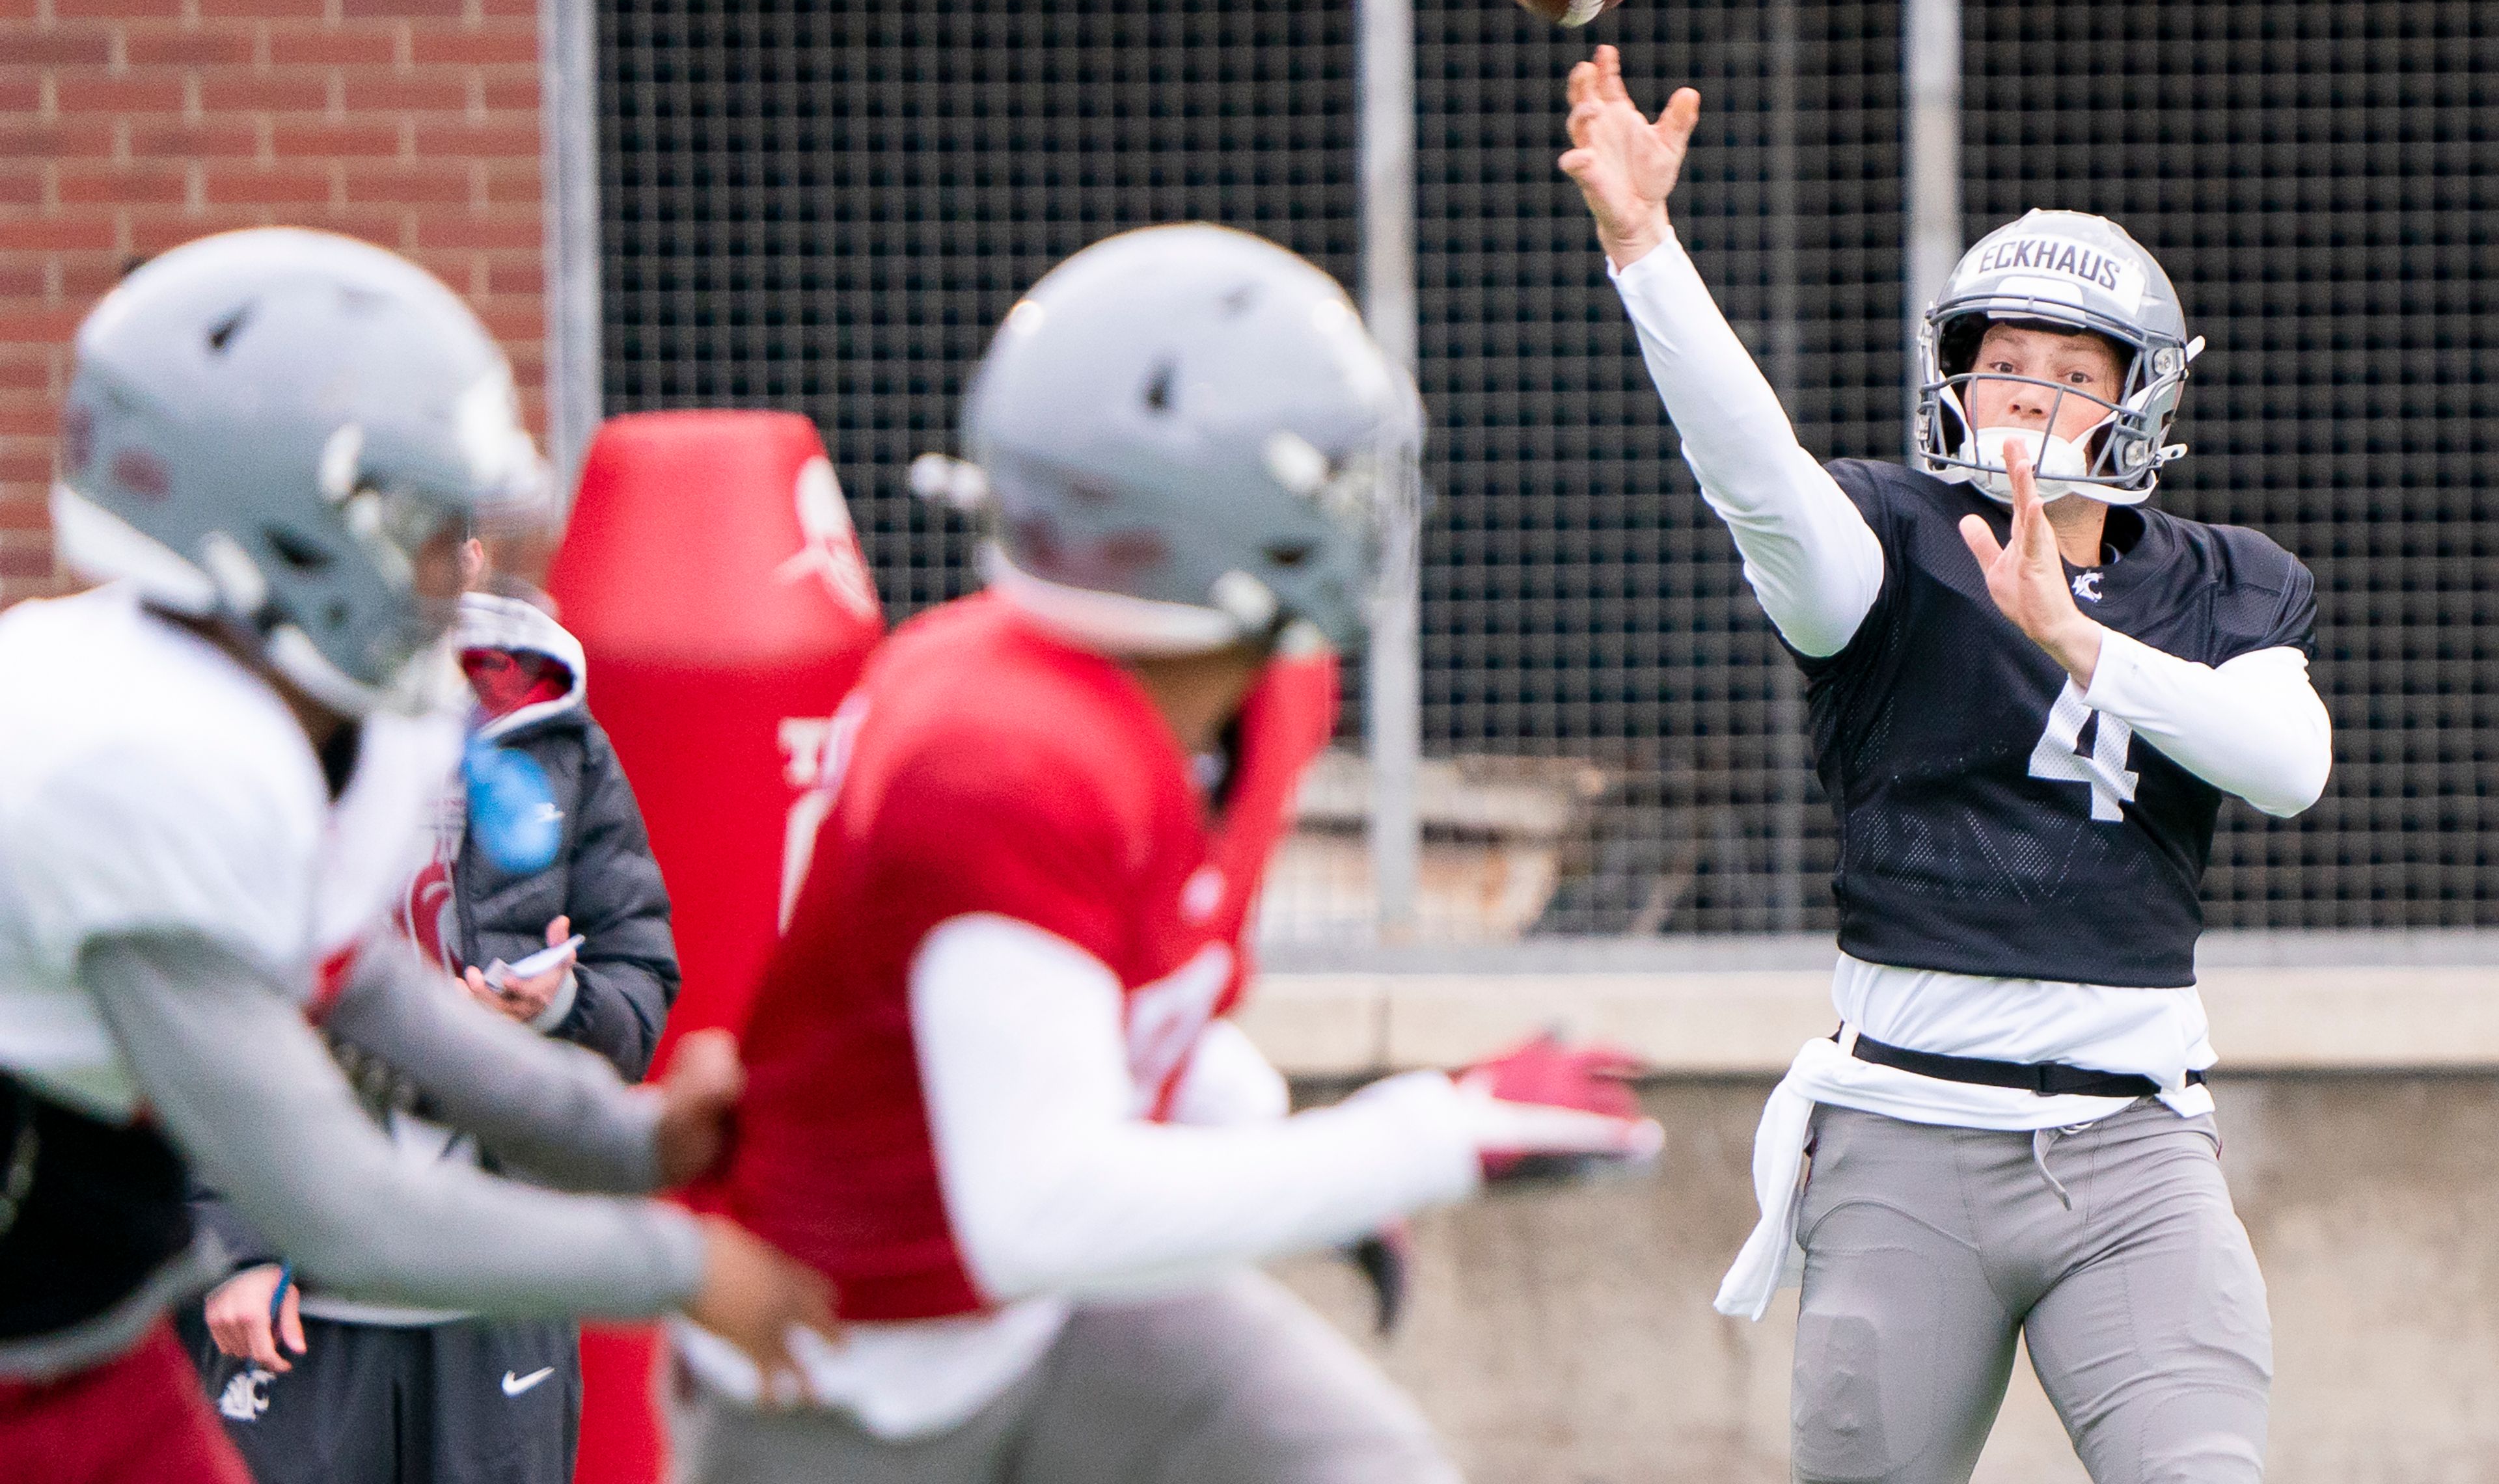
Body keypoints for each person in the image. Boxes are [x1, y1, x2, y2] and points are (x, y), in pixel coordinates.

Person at [667, 223, 1663, 1483]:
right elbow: (1038, 1208)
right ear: (1236, 517)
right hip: (848, 1363)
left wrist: (1301, 1159)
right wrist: (1417, 1138)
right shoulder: (997, 752)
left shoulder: (1261, 689)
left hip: (1068, 1317)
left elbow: (1134, 1010)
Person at [1557, 43, 2330, 1483]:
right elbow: (1752, 476)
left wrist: (2084, 643)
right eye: (2000, 365)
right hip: (1905, 1137)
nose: (2025, 398)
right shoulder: (1885, 548)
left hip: (2135, 1151)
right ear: (1951, 382)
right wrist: (1646, 249)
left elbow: (2289, 765)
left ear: (2140, 401)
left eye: (2070, 373)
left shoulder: (2221, 585)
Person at [0, 228, 832, 1484]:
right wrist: (683, 1265)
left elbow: (369, 992)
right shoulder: (132, 762)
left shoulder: (280, 719)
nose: (461, 569)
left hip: (74, 1326)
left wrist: (630, 1140)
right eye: (431, 527)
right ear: (285, 538)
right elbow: (340, 1208)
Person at [181, 559, 684, 1484]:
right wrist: (230, 1248)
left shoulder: (548, 728)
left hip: (499, 1286)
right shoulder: (237, 711)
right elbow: (174, 1004)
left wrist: (555, 1007)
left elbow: (640, 981)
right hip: (293, 1299)